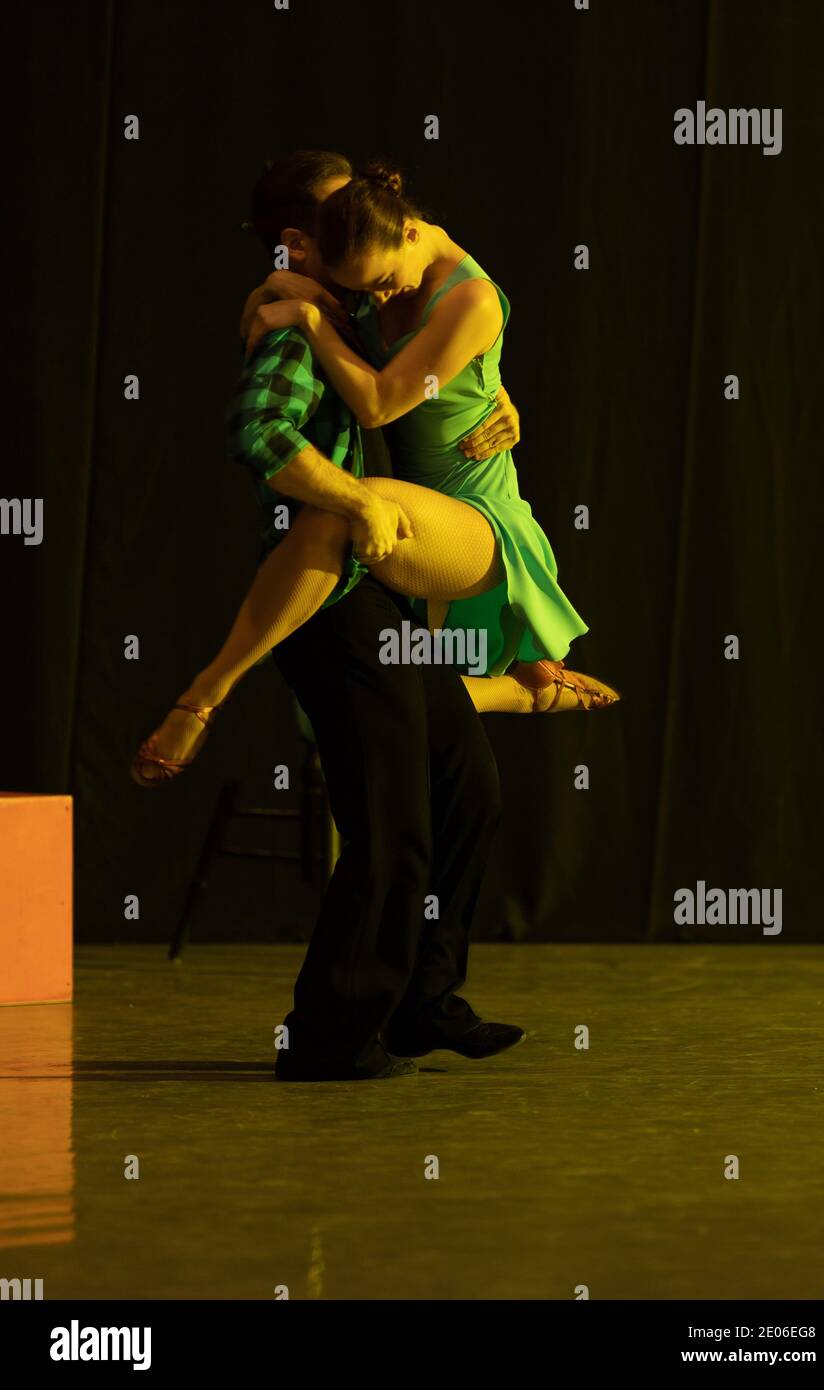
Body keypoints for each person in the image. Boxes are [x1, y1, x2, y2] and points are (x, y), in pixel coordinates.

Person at [135, 151, 526, 1080]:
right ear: (302, 240)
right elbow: (260, 438)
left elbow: (430, 376)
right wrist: (353, 501)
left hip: (377, 577)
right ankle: (333, 1037)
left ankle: (426, 999)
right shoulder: (289, 321)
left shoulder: (357, 309)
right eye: (336, 218)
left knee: (466, 779)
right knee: (391, 819)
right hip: (325, 594)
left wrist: (496, 393)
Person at [131, 156, 619, 781]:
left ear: (409, 231)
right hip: (411, 515)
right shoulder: (371, 254)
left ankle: (205, 693)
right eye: (364, 289)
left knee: (348, 502)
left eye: (384, 281)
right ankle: (520, 694)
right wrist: (269, 290)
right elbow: (276, 292)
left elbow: (381, 400)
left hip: (479, 520)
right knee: (368, 705)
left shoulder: (467, 297)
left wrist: (310, 317)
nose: (379, 298)